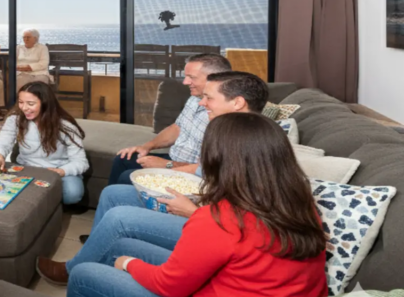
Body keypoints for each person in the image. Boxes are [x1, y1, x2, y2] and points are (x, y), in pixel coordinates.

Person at [62, 114, 328, 297]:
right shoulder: (296, 200)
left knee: (84, 275)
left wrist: (128, 264)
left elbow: (169, 286)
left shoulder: (220, 218)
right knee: (121, 245)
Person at [65, 71, 270, 246]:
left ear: (237, 102)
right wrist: (156, 163)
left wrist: (190, 206)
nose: (202, 102)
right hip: (201, 201)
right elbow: (202, 171)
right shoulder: (225, 132)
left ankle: (108, 247)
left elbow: (245, 218)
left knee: (121, 207)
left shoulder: (250, 145)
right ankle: (100, 241)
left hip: (206, 217)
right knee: (113, 189)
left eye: (209, 98)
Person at [108, 53, 232, 185]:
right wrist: (146, 147)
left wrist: (167, 165)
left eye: (191, 77)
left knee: (127, 177)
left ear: (214, 79)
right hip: (173, 160)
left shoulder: (223, 114)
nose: (185, 82)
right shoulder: (194, 98)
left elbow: (209, 170)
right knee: (122, 159)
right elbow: (177, 127)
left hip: (192, 174)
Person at [0, 81, 88, 205]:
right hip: (27, 167)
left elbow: (81, 162)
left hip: (58, 170)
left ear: (45, 104)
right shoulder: (15, 120)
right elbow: (3, 142)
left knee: (72, 195)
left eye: (31, 103)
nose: (24, 108)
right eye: (21, 102)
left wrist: (61, 171)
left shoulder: (65, 126)